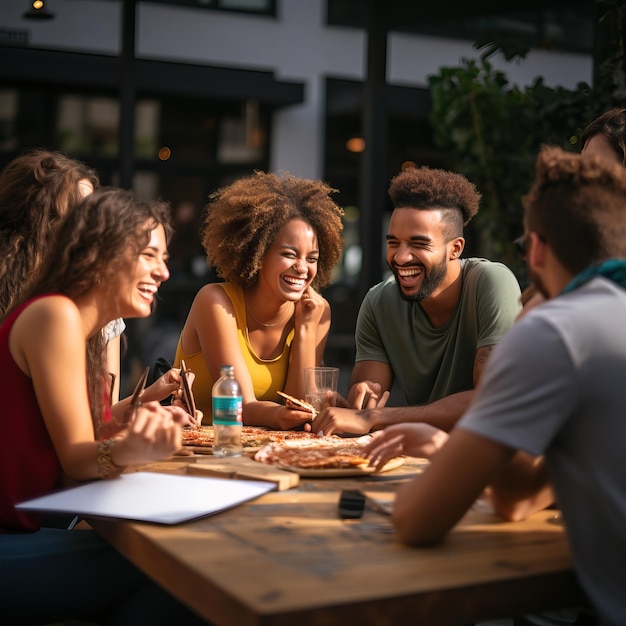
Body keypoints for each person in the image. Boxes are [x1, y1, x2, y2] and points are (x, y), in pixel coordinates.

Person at [365, 146, 626, 626]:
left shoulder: (554, 330)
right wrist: (449, 449)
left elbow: (416, 522)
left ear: (537, 249)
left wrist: (445, 455)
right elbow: (520, 498)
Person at [0, 187, 204, 625]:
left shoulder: (80, 330)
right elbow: (77, 458)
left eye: (164, 258)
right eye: (150, 255)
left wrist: (141, 417)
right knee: (191, 566)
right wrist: (136, 448)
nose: (164, 272)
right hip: (11, 541)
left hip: (34, 530)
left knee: (174, 581)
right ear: (101, 252)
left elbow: (83, 433)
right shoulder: (55, 315)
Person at [314, 165, 522, 435]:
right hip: (414, 455)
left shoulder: (491, 282)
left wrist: (376, 417)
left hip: (491, 457)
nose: (401, 257)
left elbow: (493, 401)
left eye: (419, 244)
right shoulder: (379, 302)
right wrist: (354, 406)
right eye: (393, 243)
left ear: (455, 248)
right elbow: (366, 407)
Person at [0, 149, 189, 411]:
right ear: (43, 218)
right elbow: (75, 448)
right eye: (82, 212)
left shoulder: (99, 311)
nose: (93, 223)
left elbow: (100, 419)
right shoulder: (51, 312)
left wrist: (149, 398)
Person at [174, 171, 344, 429]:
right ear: (258, 252)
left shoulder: (316, 312)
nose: (302, 268)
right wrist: (281, 416)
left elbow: (300, 409)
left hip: (272, 454)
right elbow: (240, 406)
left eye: (312, 259)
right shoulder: (216, 302)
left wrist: (306, 330)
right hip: (204, 451)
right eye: (289, 254)